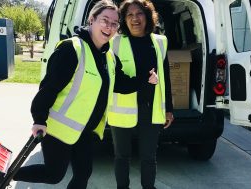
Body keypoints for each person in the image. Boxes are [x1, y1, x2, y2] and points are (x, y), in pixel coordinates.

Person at [13, 1, 147, 188]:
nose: (109, 27)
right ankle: (5, 174)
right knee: (54, 175)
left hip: (86, 132)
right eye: (104, 20)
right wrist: (39, 118)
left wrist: (146, 78)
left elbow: (122, 84)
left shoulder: (108, 57)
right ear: (91, 20)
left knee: (83, 174)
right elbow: (49, 87)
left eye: (115, 23)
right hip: (59, 129)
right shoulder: (72, 49)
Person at [107, 0, 174, 189]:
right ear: (124, 20)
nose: (135, 19)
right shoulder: (114, 42)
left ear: (148, 17)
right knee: (122, 156)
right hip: (121, 108)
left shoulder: (160, 42)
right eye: (129, 15)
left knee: (149, 157)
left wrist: (168, 108)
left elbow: (165, 76)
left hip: (150, 109)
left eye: (139, 14)